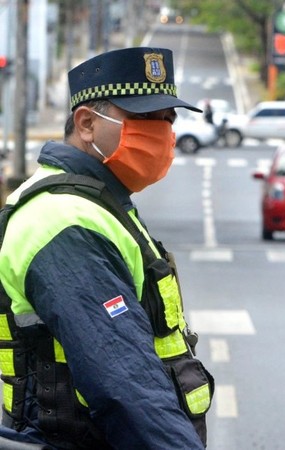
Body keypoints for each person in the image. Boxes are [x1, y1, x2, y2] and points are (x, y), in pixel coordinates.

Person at [0, 47, 213, 449]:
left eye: (168, 119)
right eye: (145, 118)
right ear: (86, 124)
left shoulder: (97, 203)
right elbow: (128, 389)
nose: (163, 134)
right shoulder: (64, 221)